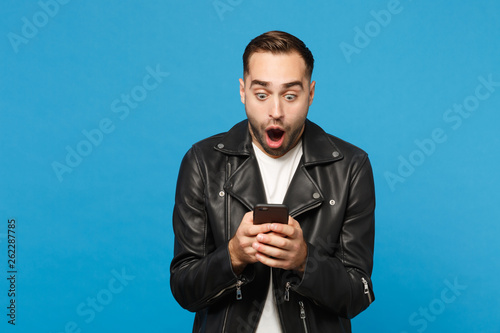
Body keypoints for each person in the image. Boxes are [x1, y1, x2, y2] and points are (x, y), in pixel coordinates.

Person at [170, 30, 375, 333]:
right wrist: (234, 256)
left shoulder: (350, 167)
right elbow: (184, 288)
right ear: (243, 91)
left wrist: (305, 261)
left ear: (311, 93)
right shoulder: (202, 162)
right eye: (262, 94)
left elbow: (359, 295)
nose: (276, 112)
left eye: (290, 95)